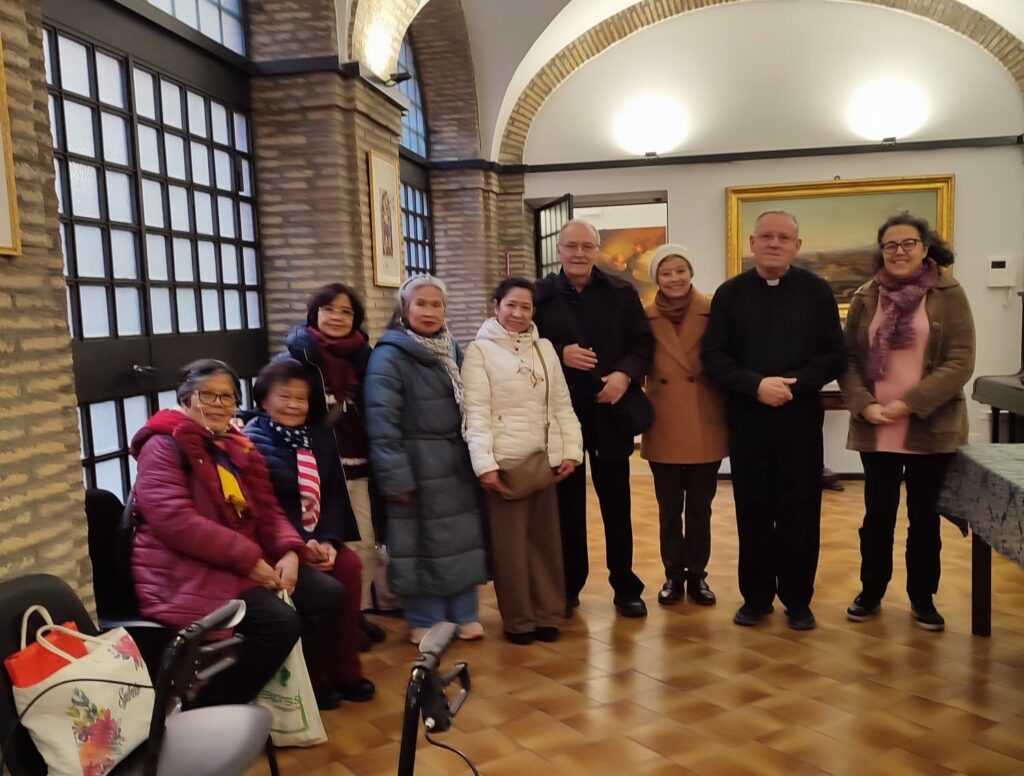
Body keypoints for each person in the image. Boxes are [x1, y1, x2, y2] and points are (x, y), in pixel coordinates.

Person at [130, 359, 346, 708]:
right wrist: (250, 561)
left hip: (236, 558)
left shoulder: (235, 444)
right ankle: (210, 708)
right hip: (185, 568)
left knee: (328, 595)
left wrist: (290, 551)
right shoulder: (162, 445)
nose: (219, 404)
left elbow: (268, 509)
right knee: (279, 624)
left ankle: (286, 698)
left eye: (227, 397)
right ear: (185, 399)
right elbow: (175, 522)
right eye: (208, 395)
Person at [702, 211, 844, 631]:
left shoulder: (816, 291)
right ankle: (756, 598)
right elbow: (714, 356)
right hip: (749, 418)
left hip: (800, 419)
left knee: (802, 511)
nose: (774, 243)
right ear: (752, 242)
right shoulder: (729, 294)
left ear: (797, 246)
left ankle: (798, 600)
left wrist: (792, 386)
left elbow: (833, 355)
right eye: (766, 236)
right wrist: (756, 385)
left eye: (784, 237)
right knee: (753, 510)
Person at [839, 213, 975, 631]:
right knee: (876, 518)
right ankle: (871, 591)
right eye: (890, 245)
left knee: (924, 520)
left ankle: (922, 598)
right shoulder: (867, 295)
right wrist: (864, 405)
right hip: (876, 424)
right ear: (881, 250)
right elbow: (848, 359)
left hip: (929, 426)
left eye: (908, 243)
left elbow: (960, 361)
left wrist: (909, 404)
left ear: (925, 247)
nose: (899, 252)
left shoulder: (949, 293)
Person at [533, 219, 655, 618]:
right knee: (567, 506)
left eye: (587, 246)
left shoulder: (621, 292)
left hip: (610, 410)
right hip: (561, 414)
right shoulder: (539, 295)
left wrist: (624, 376)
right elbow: (522, 342)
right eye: (571, 246)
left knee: (617, 504)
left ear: (597, 250)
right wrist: (559, 351)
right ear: (559, 250)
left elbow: (642, 344)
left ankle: (625, 586)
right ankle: (568, 586)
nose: (579, 253)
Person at [364, 275, 488, 643]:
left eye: (437, 304)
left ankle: (464, 613)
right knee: (419, 543)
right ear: (404, 308)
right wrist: (394, 476)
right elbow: (382, 421)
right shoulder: (389, 355)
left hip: (456, 461)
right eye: (421, 303)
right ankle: (426, 619)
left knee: (460, 540)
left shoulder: (452, 349)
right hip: (415, 463)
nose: (429, 311)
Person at [243, 358, 376, 703]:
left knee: (349, 565)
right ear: (264, 399)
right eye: (284, 396)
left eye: (301, 398)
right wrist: (302, 545)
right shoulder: (251, 442)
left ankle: (346, 669)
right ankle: (315, 679)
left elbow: (331, 495)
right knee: (322, 589)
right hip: (277, 544)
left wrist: (328, 540)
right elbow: (264, 509)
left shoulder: (317, 437)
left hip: (316, 535)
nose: (293, 405)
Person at [462, 277, 583, 644]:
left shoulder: (544, 348)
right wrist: (484, 464)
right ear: (496, 306)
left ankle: (547, 614)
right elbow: (475, 412)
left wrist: (571, 450)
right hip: (505, 463)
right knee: (511, 548)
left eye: (525, 307)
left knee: (545, 544)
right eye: (510, 305)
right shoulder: (479, 351)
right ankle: (518, 621)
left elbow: (561, 403)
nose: (517, 313)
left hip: (543, 460)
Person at [283, 283, 388, 643]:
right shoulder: (298, 356)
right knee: (322, 548)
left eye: (346, 312)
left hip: (360, 463)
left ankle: (354, 615)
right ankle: (334, 624)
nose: (337, 318)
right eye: (329, 309)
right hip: (314, 470)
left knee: (363, 546)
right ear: (315, 313)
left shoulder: (366, 357)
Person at [640, 244, 728, 607]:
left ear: (691, 272)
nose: (674, 278)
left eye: (680, 270)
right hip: (663, 420)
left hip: (705, 418)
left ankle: (698, 576)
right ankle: (673, 576)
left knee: (700, 509)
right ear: (656, 278)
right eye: (666, 272)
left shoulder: (715, 310)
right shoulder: (643, 317)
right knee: (669, 509)